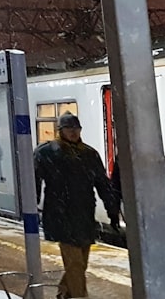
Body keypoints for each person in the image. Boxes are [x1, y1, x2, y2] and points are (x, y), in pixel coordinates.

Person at [34, 112, 120, 299]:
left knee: (80, 263)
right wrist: (33, 204)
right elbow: (35, 180)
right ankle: (80, 296)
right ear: (60, 130)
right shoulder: (47, 152)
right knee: (75, 264)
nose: (73, 132)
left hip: (84, 214)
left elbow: (102, 184)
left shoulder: (89, 154)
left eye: (76, 128)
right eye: (68, 129)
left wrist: (112, 211)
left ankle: (64, 294)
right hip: (61, 215)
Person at [110, 153, 165, 223]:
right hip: (161, 210)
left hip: (137, 211)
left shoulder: (124, 158)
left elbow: (116, 187)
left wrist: (114, 212)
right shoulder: (158, 158)